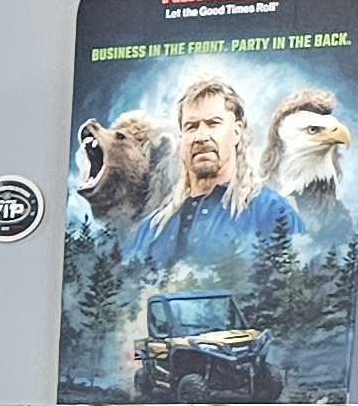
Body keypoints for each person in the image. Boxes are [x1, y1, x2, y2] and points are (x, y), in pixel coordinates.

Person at [124, 76, 298, 276]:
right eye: (191, 126)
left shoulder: (272, 212)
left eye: (213, 123)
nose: (201, 137)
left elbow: (302, 285)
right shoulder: (150, 230)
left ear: (237, 132)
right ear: (181, 138)